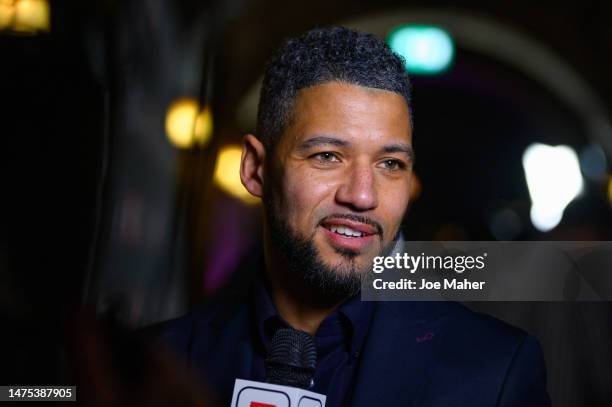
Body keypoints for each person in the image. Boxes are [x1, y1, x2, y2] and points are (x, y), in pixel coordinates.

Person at [151, 26, 550, 406]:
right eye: (327, 156)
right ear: (256, 169)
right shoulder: (153, 368)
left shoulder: (494, 374)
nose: (362, 196)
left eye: (390, 164)